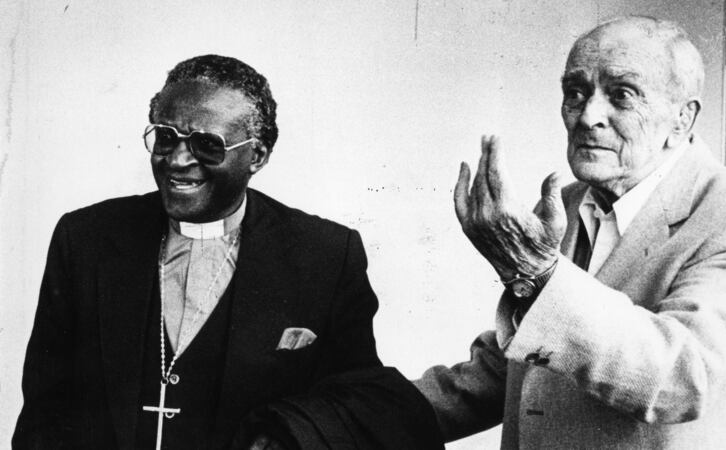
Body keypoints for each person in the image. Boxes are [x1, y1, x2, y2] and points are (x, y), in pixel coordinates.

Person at [13, 55, 443, 450]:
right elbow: (44, 413)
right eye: (166, 137)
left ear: (256, 155)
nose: (178, 160)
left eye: (206, 145)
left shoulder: (325, 255)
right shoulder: (86, 239)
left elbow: (357, 404)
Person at [415, 16, 726, 449]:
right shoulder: (570, 202)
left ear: (682, 119)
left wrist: (538, 275)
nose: (588, 116)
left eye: (622, 94)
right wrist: (356, 416)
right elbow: (523, 364)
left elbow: (682, 379)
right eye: (575, 92)